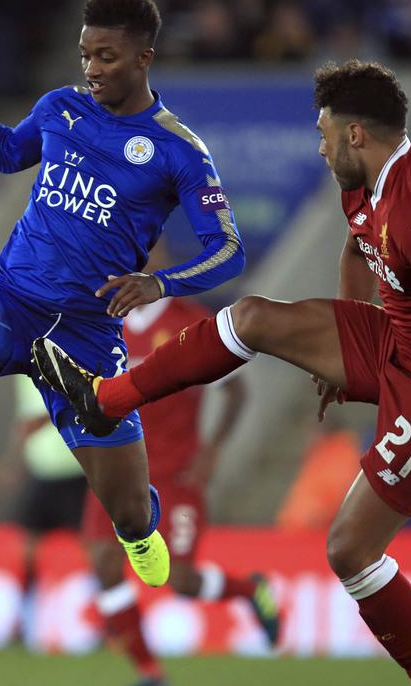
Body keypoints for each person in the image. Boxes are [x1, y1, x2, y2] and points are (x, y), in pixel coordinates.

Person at [35, 60, 411, 686]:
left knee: (348, 550)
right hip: (398, 342)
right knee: (254, 316)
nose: (317, 148)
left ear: (354, 135)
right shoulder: (364, 184)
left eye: (322, 133)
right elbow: (357, 247)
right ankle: (110, 398)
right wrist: (348, 345)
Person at [0, 0, 245, 589]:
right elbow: (4, 151)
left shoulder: (178, 149)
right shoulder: (60, 107)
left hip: (85, 340)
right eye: (85, 55)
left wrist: (160, 283)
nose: (92, 69)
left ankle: (139, 525)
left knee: (127, 514)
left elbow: (227, 249)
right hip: (12, 302)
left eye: (106, 56)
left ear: (143, 58)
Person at [82, 246, 276, 686]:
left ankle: (251, 591)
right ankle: (150, 672)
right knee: (103, 564)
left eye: (142, 251)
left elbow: (236, 390)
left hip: (175, 471)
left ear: (159, 259)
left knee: (182, 580)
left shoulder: (189, 323)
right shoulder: (101, 320)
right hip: (115, 470)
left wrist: (213, 449)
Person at [0, 374, 89, 645]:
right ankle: (21, 623)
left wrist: (25, 438)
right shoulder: (17, 368)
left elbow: (61, 405)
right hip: (42, 471)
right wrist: (16, 463)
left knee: (96, 552)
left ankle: (109, 621)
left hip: (75, 470)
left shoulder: (57, 355)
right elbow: (26, 417)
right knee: (26, 553)